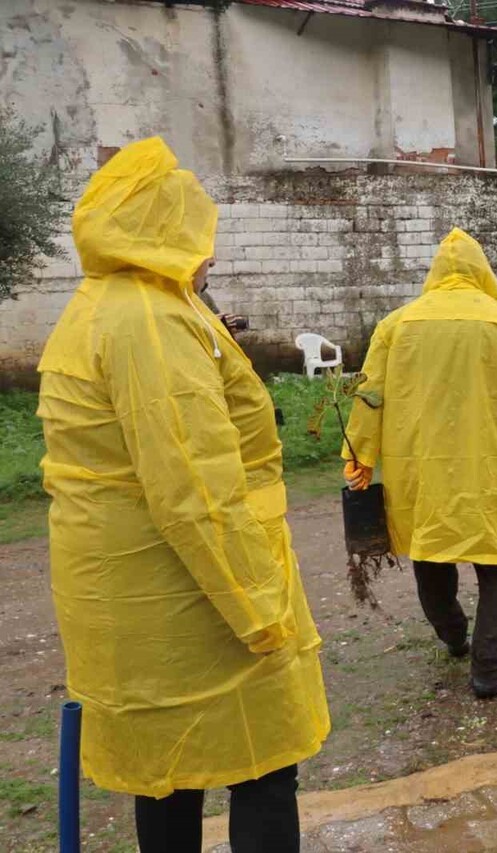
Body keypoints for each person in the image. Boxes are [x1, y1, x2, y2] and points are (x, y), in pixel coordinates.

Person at [37, 137, 329, 852]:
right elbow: (193, 486)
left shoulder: (111, 304)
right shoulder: (148, 321)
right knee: (260, 765)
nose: (210, 255)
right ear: (160, 231)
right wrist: (259, 608)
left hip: (144, 597)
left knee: (170, 773)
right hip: (191, 602)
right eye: (197, 235)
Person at [341, 228, 497, 700]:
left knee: (431, 551)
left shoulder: (396, 324)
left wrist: (358, 457)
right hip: (486, 470)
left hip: (419, 470)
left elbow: (369, 395)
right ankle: (487, 672)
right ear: (481, 272)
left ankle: (451, 634)